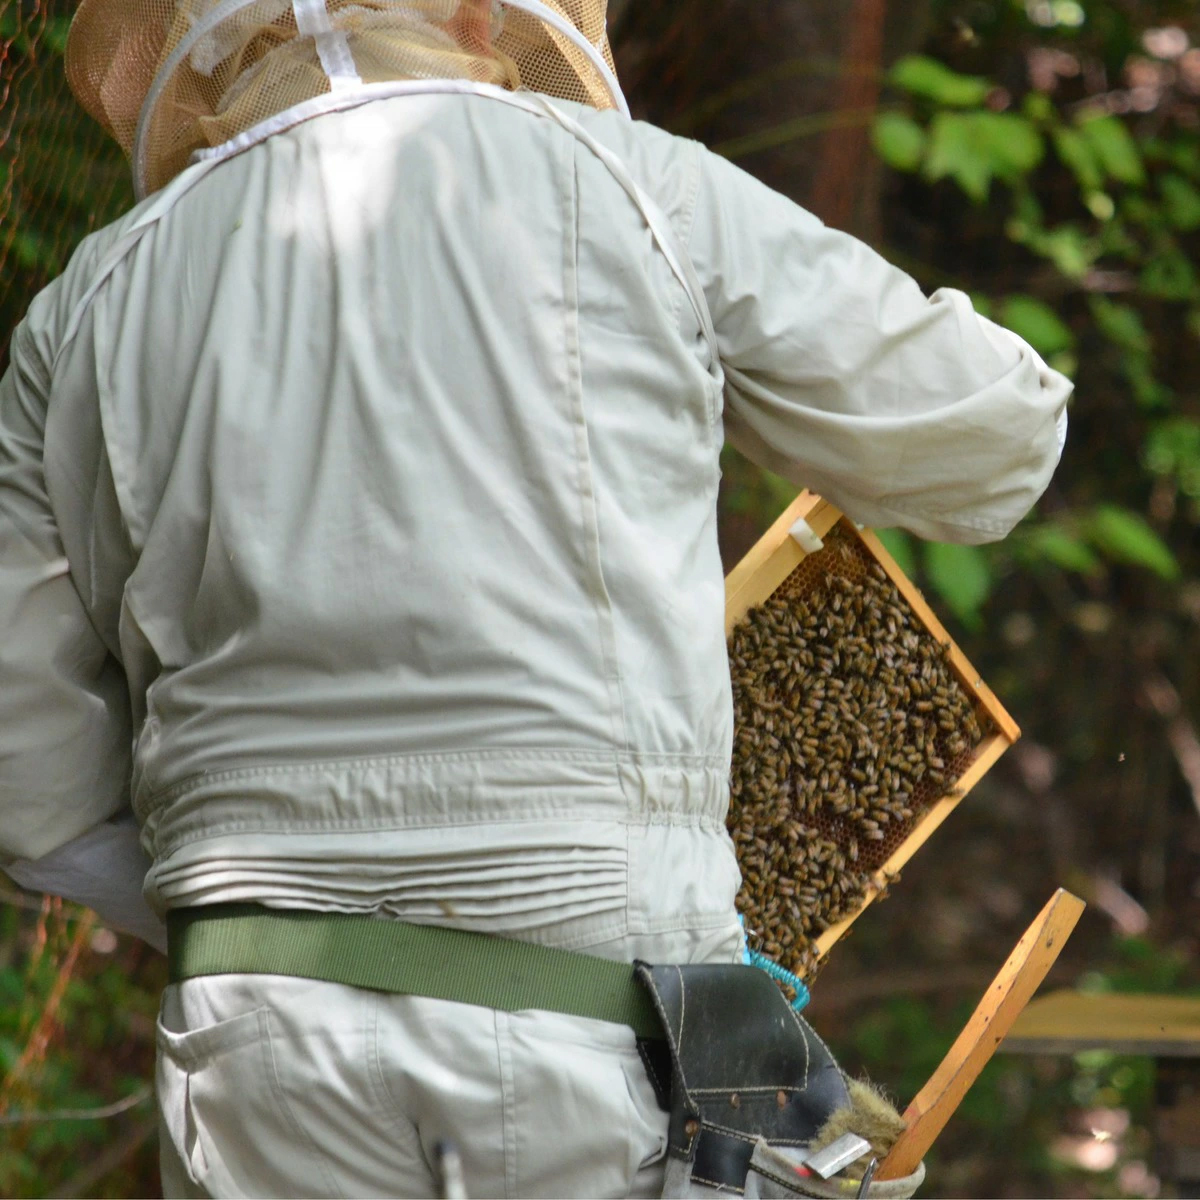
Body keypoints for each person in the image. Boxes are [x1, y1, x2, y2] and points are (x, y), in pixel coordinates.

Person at [0, 1, 1071, 1195]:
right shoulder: (632, 189)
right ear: (478, 15)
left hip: (254, 1054)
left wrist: (285, 921)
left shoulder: (85, 310)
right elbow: (996, 438)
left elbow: (31, 784)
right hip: (603, 1040)